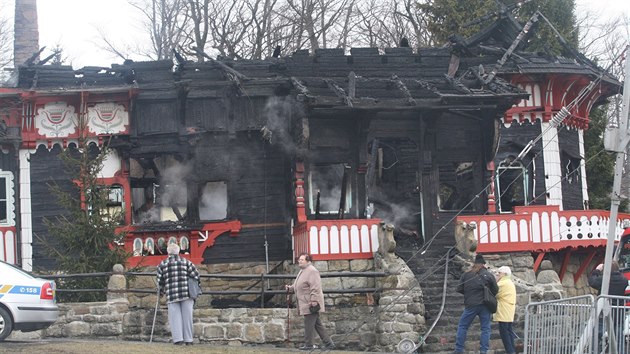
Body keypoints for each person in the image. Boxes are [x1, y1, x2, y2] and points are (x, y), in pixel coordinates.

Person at [285, 253, 335, 350]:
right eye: (299, 259)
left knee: (309, 324)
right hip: (306, 302)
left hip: (310, 303)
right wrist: (290, 288)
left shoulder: (312, 271)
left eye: (302, 260)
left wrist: (314, 300)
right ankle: (329, 344)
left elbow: (315, 287)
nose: (299, 261)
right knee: (317, 325)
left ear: (308, 261)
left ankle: (309, 345)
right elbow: (297, 285)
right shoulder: (303, 271)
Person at [156, 243, 201, 346]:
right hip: (186, 293)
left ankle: (178, 340)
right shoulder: (186, 262)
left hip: (172, 294)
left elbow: (160, 282)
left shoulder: (162, 264)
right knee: (187, 316)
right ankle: (189, 340)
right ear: (178, 251)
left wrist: (161, 292)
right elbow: (196, 276)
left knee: (174, 317)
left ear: (168, 252)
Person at [454, 254, 499, 354]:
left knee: (463, 326)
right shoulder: (489, 275)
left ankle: (459, 350)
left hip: (471, 305)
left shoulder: (466, 275)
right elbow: (495, 290)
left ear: (474, 264)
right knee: (485, 329)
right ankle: (483, 351)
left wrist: (469, 294)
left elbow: (459, 289)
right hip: (485, 305)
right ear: (484, 264)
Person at [588, 260, 628, 352]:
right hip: (618, 312)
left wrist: (597, 270)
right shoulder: (624, 280)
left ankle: (595, 351)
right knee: (618, 337)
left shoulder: (604, 280)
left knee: (597, 333)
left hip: (604, 311)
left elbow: (592, 281)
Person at [494, 266, 517, 354]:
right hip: (509, 309)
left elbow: (494, 291)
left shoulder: (503, 283)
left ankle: (510, 351)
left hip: (504, 309)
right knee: (509, 331)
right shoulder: (509, 282)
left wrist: (496, 281)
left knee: (504, 332)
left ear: (504, 274)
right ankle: (512, 350)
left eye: (499, 273)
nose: (497, 274)